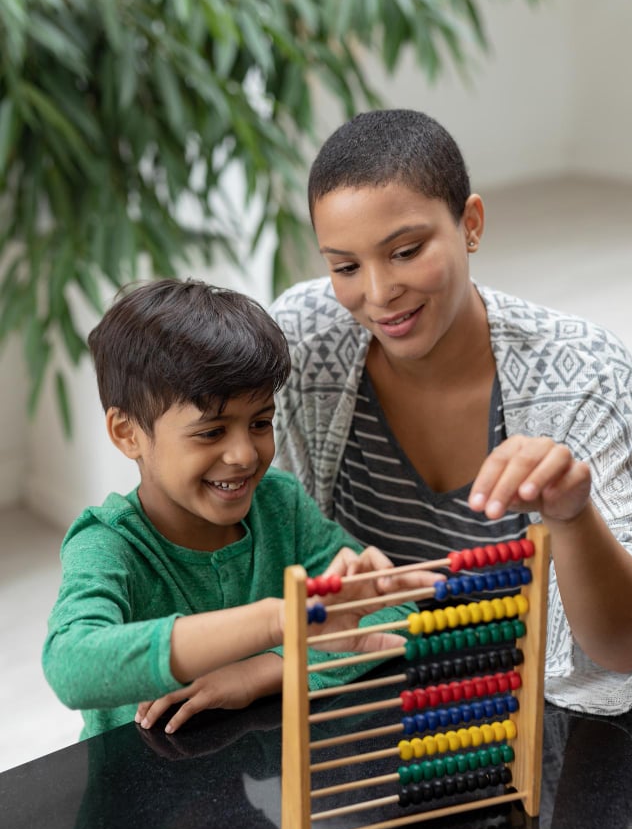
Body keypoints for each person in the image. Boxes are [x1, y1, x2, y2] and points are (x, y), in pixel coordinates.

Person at [269, 108, 632, 716]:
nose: (377, 293)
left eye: (405, 251)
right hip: (361, 691)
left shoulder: (584, 370)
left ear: (471, 224)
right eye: (345, 266)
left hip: (524, 711)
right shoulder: (302, 340)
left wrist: (572, 514)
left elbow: (623, 648)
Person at [42, 278, 434, 739]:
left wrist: (265, 669)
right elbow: (72, 664)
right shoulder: (107, 544)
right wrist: (280, 620)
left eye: (260, 422)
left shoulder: (278, 504)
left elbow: (392, 612)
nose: (245, 455)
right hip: (139, 789)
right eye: (211, 432)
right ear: (128, 433)